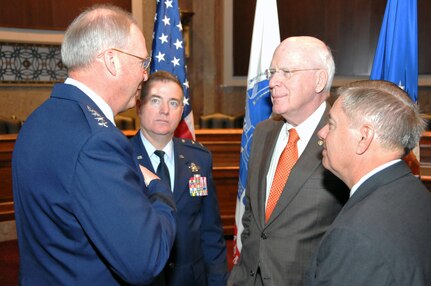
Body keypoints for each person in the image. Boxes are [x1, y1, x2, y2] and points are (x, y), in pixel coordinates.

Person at [12, 5, 177, 285]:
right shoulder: (97, 140)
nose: (145, 76)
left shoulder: (38, 120)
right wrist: (158, 189)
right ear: (112, 60)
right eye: (142, 63)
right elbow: (146, 260)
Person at [228, 36, 349, 286]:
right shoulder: (263, 132)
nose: (272, 82)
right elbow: (252, 214)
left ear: (319, 80)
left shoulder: (344, 138)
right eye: (272, 72)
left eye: (286, 72)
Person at [306, 80, 431, 286]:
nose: (322, 133)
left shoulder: (354, 237)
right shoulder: (416, 194)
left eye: (332, 124)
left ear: (364, 137)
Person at [130, 71, 228, 286]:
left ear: (181, 111)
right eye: (155, 101)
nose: (164, 111)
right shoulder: (121, 158)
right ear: (139, 106)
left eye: (173, 103)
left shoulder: (199, 158)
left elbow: (211, 232)